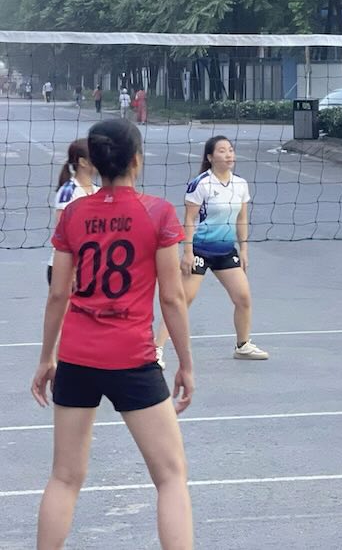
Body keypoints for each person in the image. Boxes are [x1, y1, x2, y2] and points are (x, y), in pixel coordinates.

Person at [30, 118, 195, 550]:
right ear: (136, 160)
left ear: (96, 162)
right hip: (132, 359)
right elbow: (173, 299)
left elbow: (58, 295)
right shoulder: (157, 211)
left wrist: (47, 357)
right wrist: (186, 364)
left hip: (78, 356)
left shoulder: (75, 212)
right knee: (171, 476)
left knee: (64, 477)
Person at [155, 135, 268, 363]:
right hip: (199, 250)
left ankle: (243, 345)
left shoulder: (240, 184)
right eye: (222, 151)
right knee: (182, 300)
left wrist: (244, 249)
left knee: (243, 297)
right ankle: (156, 350)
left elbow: (242, 219)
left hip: (226, 251)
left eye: (231, 150)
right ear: (210, 157)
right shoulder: (201, 184)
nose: (229, 155)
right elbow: (188, 219)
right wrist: (187, 252)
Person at [47, 139, 98, 285]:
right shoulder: (69, 193)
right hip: (66, 266)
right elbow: (62, 232)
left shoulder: (97, 191)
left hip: (89, 266)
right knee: (64, 308)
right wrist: (74, 268)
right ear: (83, 162)